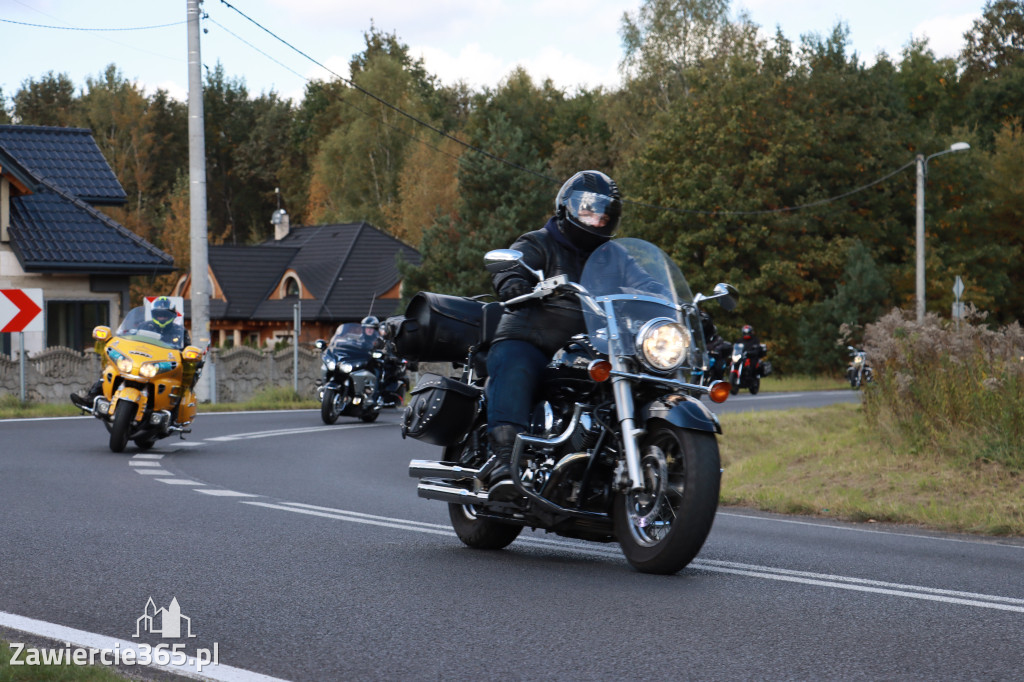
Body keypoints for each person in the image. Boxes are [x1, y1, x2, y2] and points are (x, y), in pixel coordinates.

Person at [482, 170, 623, 498]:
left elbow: (647, 285)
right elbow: (512, 265)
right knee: (517, 365)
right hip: (532, 337)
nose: (596, 218)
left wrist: (678, 308)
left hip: (588, 347)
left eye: (603, 212)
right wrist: (512, 281)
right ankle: (506, 462)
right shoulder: (539, 242)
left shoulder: (615, 256)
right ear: (567, 208)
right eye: (587, 209)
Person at [70, 297, 189, 409]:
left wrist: (187, 354)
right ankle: (90, 399)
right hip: (140, 361)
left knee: (178, 384)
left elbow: (186, 350)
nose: (162, 317)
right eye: (159, 314)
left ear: (172, 316)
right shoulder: (144, 326)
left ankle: (173, 411)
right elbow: (131, 340)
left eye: (165, 315)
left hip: (161, 366)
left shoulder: (180, 332)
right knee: (110, 371)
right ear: (153, 314)